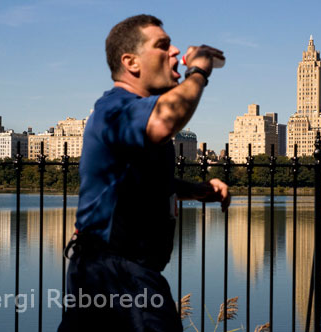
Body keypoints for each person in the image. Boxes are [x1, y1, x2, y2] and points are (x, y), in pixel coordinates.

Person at [58, 14, 230, 332]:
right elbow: (165, 119)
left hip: (115, 273)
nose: (175, 51)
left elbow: (142, 183)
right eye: (162, 46)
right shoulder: (117, 108)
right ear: (131, 62)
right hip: (118, 275)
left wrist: (198, 190)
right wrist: (199, 70)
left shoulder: (132, 116)